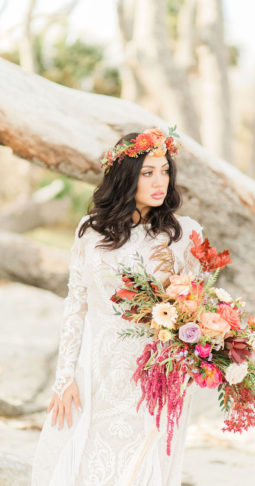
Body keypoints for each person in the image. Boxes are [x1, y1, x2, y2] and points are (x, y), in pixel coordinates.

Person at [31, 126, 204, 486]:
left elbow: (197, 307)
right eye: (148, 173)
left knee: (140, 464)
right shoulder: (91, 232)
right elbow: (75, 306)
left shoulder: (184, 234)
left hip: (154, 372)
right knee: (77, 452)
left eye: (166, 170)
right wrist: (64, 379)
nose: (161, 181)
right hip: (95, 367)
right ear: (126, 178)